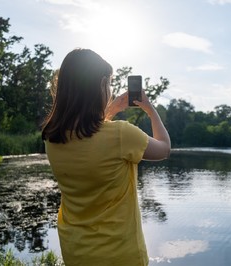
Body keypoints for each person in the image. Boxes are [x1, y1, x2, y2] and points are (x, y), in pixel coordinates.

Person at [42, 48, 171, 266]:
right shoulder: (121, 135)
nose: (110, 90)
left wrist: (109, 111)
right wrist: (150, 110)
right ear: (102, 85)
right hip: (120, 255)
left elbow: (89, 136)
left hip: (77, 252)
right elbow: (164, 148)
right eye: (109, 84)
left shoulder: (52, 138)